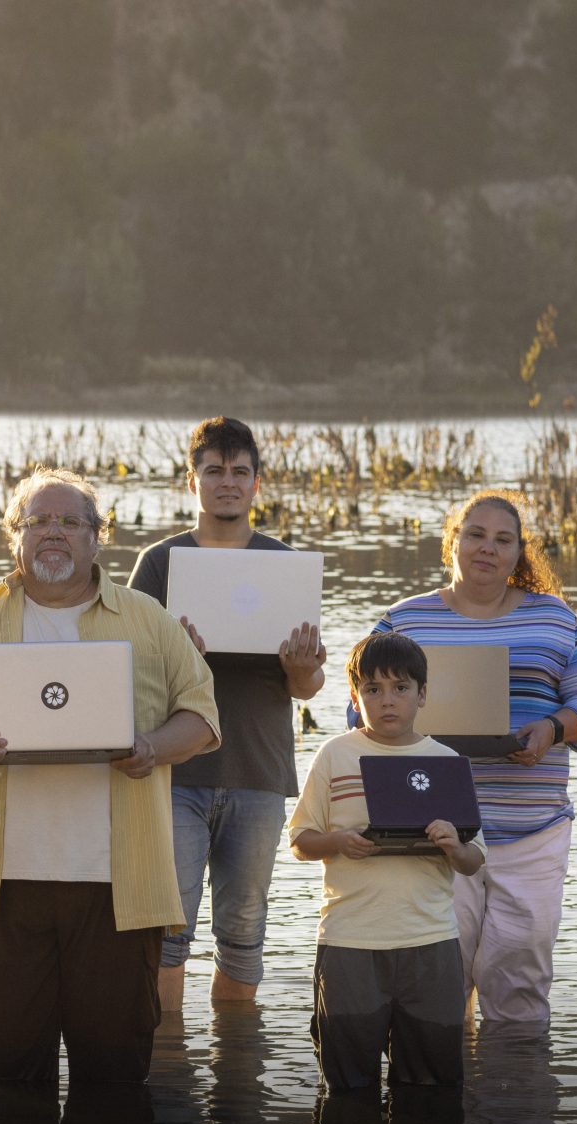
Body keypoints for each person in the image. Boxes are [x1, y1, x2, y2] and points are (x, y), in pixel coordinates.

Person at [0, 468, 221, 1086]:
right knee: (13, 1072)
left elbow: (205, 717)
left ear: (98, 537)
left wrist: (153, 747)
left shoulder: (149, 618)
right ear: (14, 539)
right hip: (6, 885)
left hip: (117, 886)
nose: (54, 533)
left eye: (71, 522)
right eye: (38, 521)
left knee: (113, 1074)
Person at [356, 490, 577, 1040]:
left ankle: (515, 1107)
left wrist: (552, 730)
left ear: (520, 553)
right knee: (439, 985)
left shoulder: (555, 619)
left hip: (533, 830)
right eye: (475, 535)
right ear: (452, 541)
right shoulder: (403, 622)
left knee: (520, 982)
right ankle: (448, 1110)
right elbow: (358, 706)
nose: (487, 549)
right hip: (434, 832)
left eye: (503, 540)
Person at [126, 416, 327, 1015]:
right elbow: (130, 678)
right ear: (193, 482)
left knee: (243, 937)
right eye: (214, 471)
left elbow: (309, 684)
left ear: (256, 484)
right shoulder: (160, 563)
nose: (228, 483)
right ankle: (167, 1071)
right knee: (168, 933)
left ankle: (234, 1077)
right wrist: (174, 657)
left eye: (240, 472)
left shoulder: (283, 564)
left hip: (257, 774)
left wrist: (300, 667)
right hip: (176, 775)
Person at [289, 632, 487, 1095]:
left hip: (430, 944)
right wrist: (338, 840)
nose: (387, 701)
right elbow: (300, 841)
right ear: (355, 697)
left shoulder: (447, 761)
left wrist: (452, 844)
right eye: (372, 689)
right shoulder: (335, 754)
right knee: (346, 1088)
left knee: (431, 1088)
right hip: (349, 943)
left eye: (401, 688)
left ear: (423, 694)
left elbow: (474, 860)